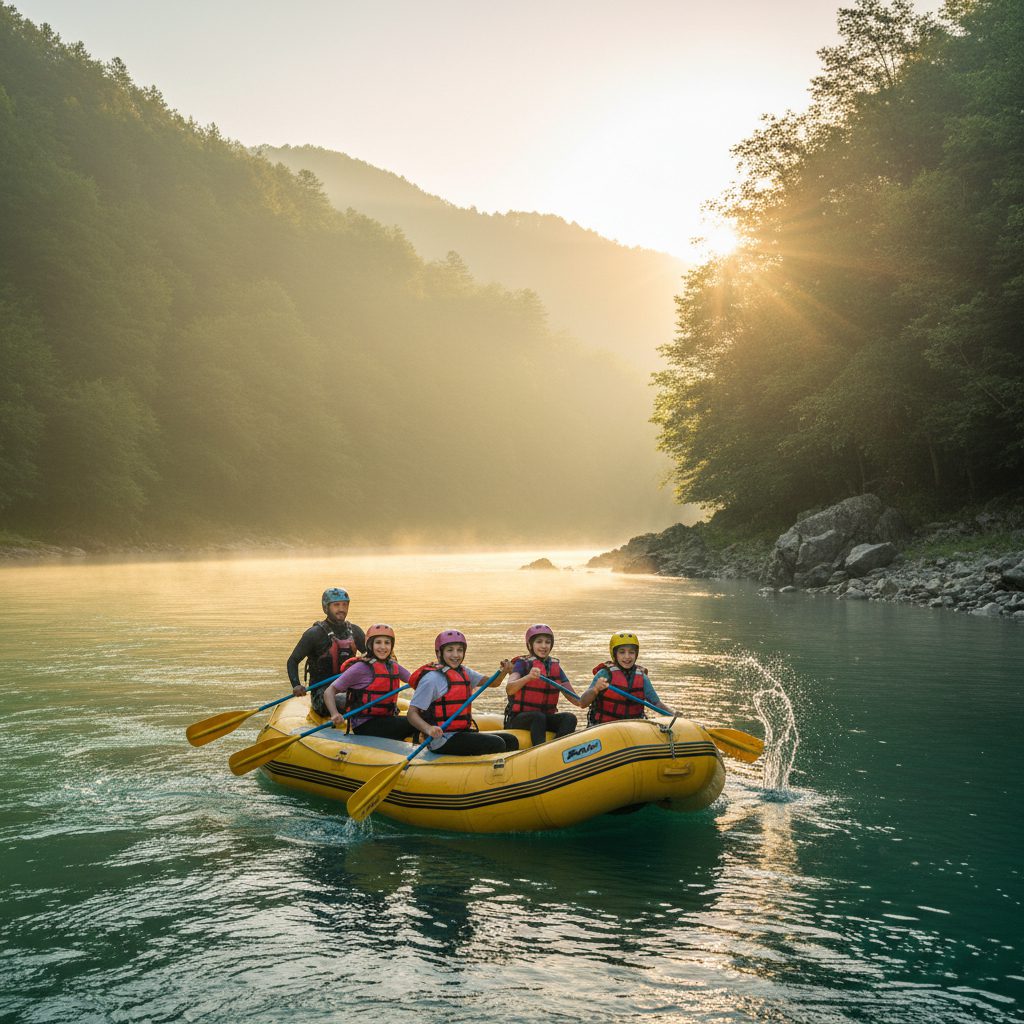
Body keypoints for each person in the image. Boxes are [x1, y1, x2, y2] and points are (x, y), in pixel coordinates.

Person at [406, 629, 519, 755]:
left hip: (461, 732)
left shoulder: (464, 671)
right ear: (439, 653)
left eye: (459, 650)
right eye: (450, 650)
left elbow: (493, 683)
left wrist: (503, 671)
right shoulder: (431, 679)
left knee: (511, 740)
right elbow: (412, 713)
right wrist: (429, 729)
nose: (456, 655)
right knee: (497, 743)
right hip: (441, 739)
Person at [323, 624, 417, 740]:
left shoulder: (393, 666)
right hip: (364, 724)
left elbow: (415, 682)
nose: (383, 647)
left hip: (386, 719)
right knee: (415, 723)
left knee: (421, 719)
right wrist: (335, 713)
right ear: (370, 644)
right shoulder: (360, 668)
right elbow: (329, 691)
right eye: (378, 642)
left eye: (387, 643)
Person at [286, 587, 367, 717]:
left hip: (348, 688)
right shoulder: (314, 634)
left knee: (368, 696)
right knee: (345, 699)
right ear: (325, 608)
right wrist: (296, 685)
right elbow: (293, 661)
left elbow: (371, 656)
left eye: (344, 605)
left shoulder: (355, 631)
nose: (341, 609)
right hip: (322, 694)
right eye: (336, 605)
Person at [579, 631, 678, 725]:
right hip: (604, 727)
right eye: (622, 652)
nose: (627, 657)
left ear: (636, 654)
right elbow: (583, 703)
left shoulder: (642, 677)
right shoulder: (604, 674)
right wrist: (595, 689)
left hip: (632, 727)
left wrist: (674, 716)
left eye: (631, 652)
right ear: (615, 654)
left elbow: (657, 704)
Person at [504, 623, 580, 746]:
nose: (544, 646)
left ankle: (557, 750)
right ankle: (539, 751)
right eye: (539, 642)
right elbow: (510, 689)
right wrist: (528, 677)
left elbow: (577, 701)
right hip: (519, 719)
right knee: (538, 717)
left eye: (547, 642)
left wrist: (596, 690)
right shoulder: (522, 663)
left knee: (569, 718)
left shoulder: (555, 666)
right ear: (530, 645)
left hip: (544, 717)